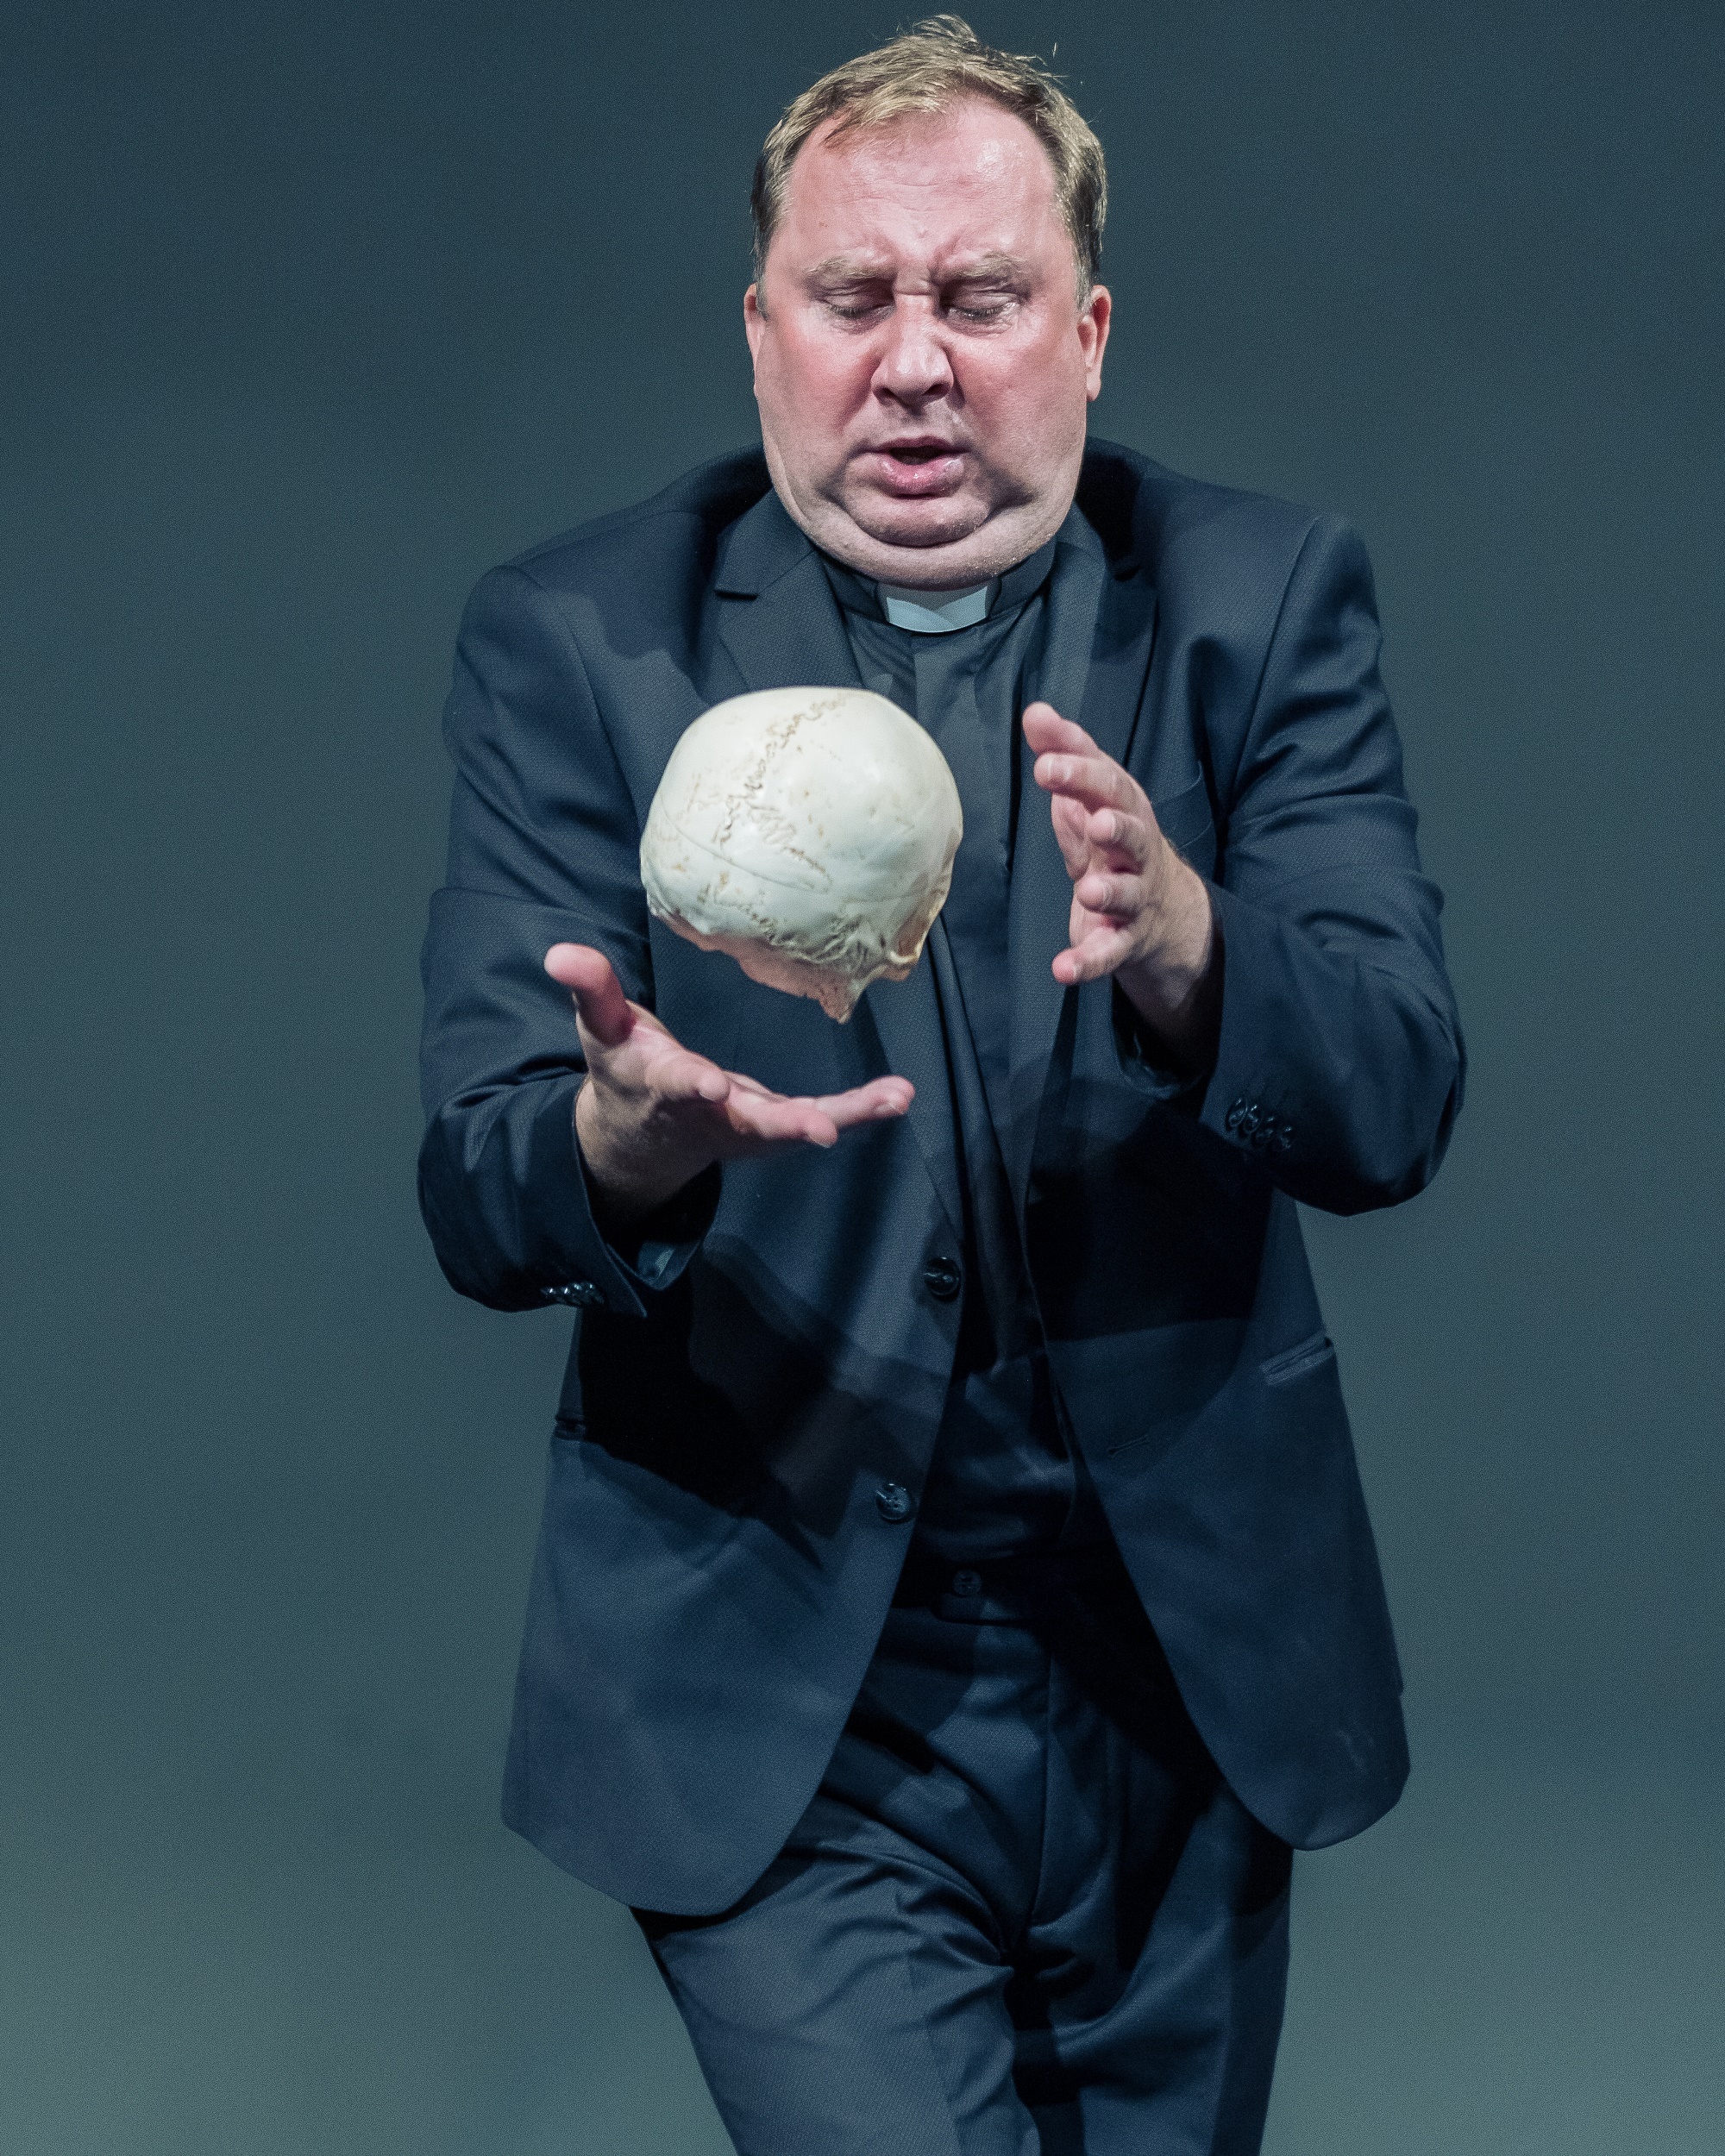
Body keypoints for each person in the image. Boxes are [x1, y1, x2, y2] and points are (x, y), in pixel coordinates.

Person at [417, 16, 1464, 2153]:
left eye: (978, 299)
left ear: (1085, 332)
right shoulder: (584, 640)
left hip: (1180, 1682)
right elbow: (480, 1180)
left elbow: (1393, 1099)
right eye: (853, 298)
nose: (913, 363)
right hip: (794, 1695)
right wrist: (625, 1141)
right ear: (759, 333)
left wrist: (1193, 947)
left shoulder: (1252, 605)